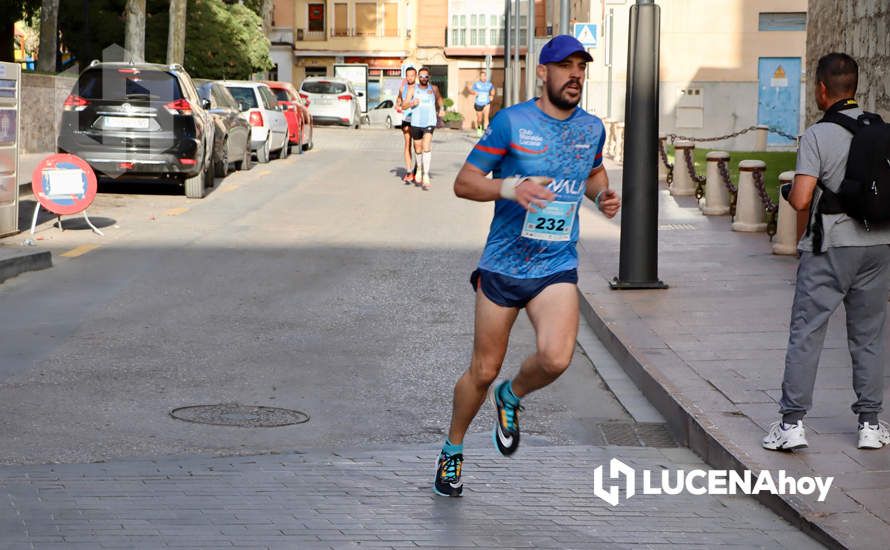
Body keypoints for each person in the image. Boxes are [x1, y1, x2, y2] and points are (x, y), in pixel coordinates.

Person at [433, 35, 620, 497]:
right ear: (543, 72)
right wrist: (508, 188)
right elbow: (464, 182)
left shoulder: (591, 128)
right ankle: (452, 452)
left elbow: (593, 172)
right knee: (482, 370)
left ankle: (512, 395)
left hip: (555, 264)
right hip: (503, 264)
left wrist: (601, 195)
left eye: (581, 66)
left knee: (557, 357)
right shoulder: (511, 123)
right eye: (565, 66)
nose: (575, 74)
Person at [762, 52, 890, 453]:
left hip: (831, 247)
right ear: (854, 87)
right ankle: (870, 423)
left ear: (821, 89)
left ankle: (791, 424)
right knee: (869, 336)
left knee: (808, 332)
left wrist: (787, 190)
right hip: (878, 245)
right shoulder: (880, 129)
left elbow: (801, 201)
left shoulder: (817, 135)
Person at [404, 67, 444, 190]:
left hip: (429, 122)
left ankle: (426, 174)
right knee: (418, 148)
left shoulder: (434, 89)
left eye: (426, 76)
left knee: (426, 146)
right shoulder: (412, 89)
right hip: (416, 122)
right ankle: (419, 168)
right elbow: (404, 105)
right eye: (421, 76)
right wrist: (411, 103)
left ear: (429, 77)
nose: (423, 79)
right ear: (418, 77)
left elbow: (439, 99)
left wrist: (442, 109)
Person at [396, 67, 418, 184]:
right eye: (408, 75)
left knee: (417, 146)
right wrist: (398, 104)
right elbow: (398, 100)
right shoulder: (402, 88)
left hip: (418, 121)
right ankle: (409, 171)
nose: (410, 78)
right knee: (408, 144)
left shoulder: (419, 89)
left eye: (412, 75)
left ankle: (417, 168)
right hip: (406, 119)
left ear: (416, 76)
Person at [470, 71, 496, 138]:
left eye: (484, 76)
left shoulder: (489, 84)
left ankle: (486, 133)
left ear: (486, 77)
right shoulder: (476, 84)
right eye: (482, 76)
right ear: (480, 77)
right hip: (478, 103)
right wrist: (474, 92)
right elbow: (471, 90)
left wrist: (492, 95)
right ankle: (479, 130)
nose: (483, 77)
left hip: (486, 103)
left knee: (486, 118)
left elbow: (493, 89)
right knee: (479, 119)